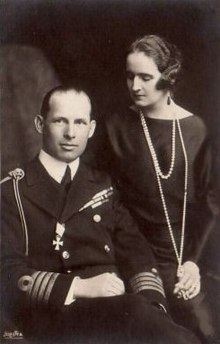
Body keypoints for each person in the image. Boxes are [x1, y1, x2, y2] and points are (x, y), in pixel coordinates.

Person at [1, 85, 200, 344]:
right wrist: (81, 287)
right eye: (60, 121)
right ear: (40, 124)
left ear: (91, 129)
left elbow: (134, 248)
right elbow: (6, 272)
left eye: (80, 122)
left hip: (120, 309)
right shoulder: (11, 191)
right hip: (55, 317)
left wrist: (153, 305)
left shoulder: (103, 183)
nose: (71, 133)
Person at [101, 35, 218, 343]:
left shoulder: (195, 129)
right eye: (130, 76)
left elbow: (209, 205)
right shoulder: (114, 126)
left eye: (145, 77)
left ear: (169, 77)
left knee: (206, 330)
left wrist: (192, 264)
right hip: (130, 256)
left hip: (184, 258)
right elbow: (99, 193)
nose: (135, 86)